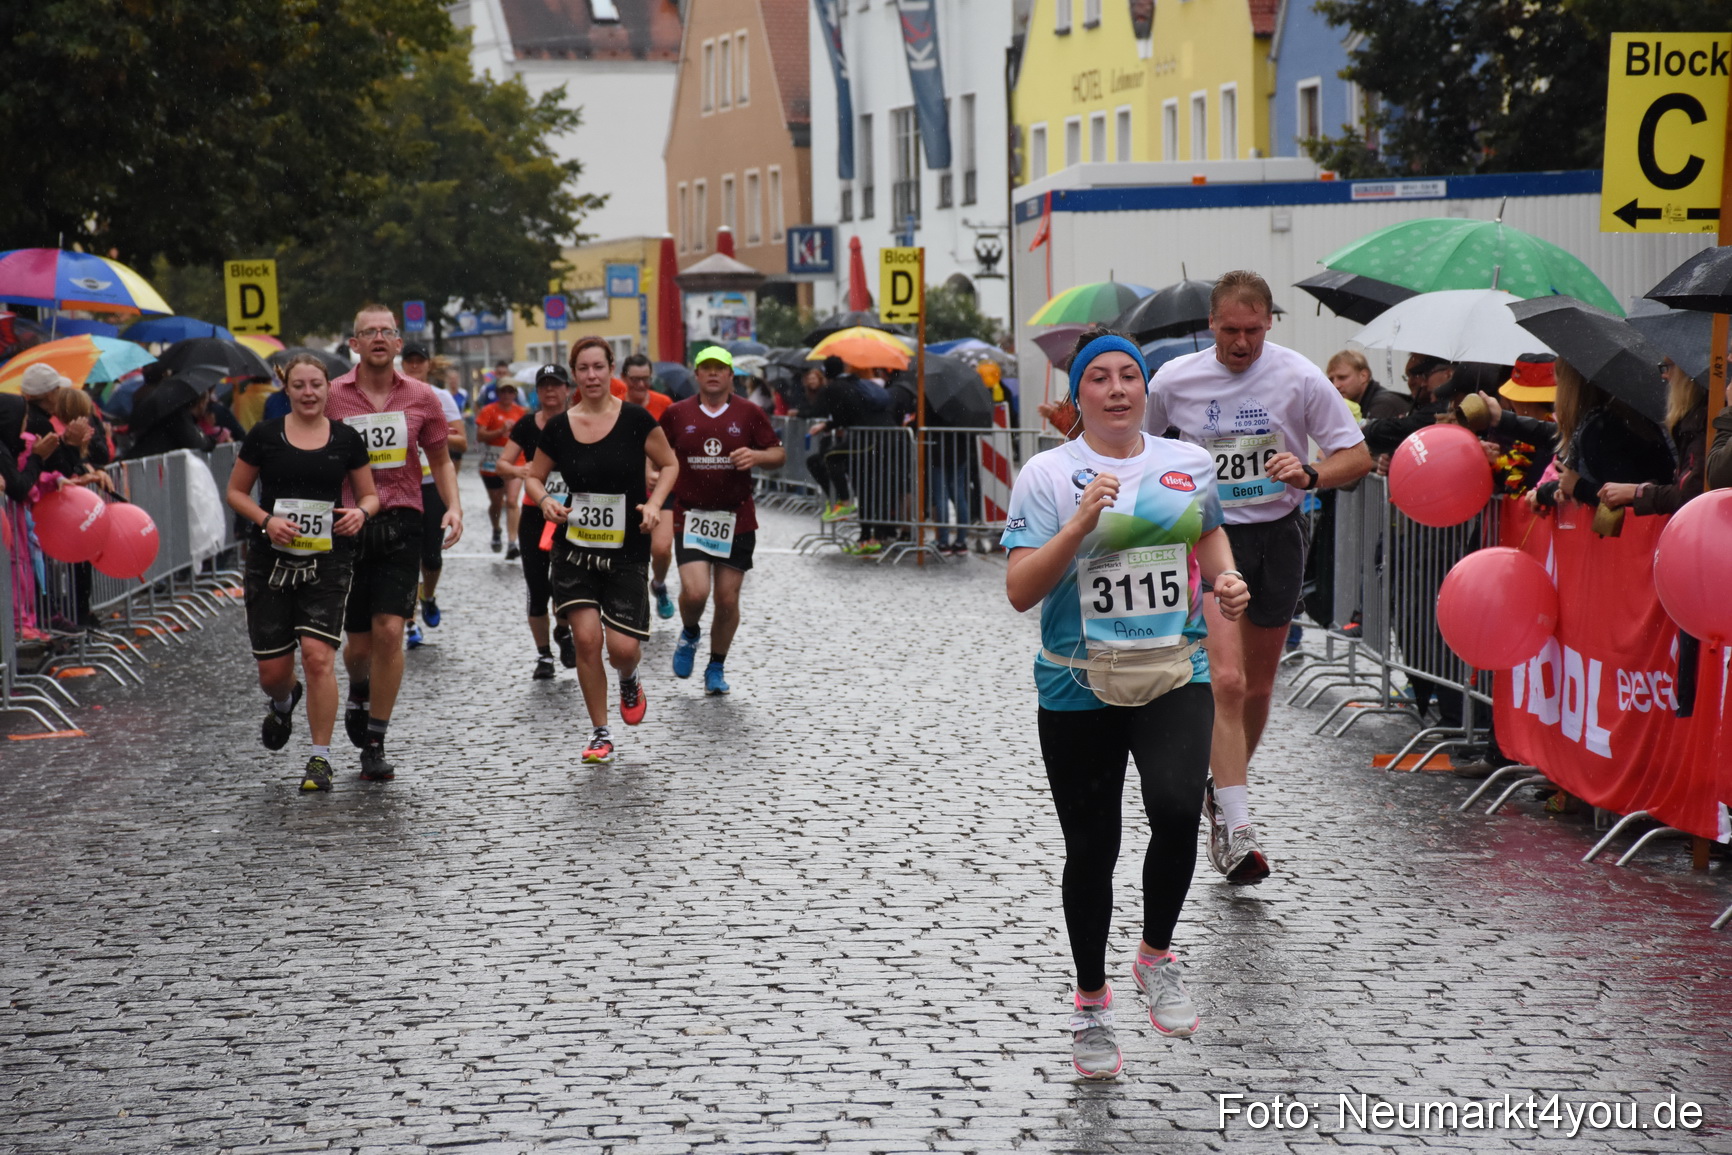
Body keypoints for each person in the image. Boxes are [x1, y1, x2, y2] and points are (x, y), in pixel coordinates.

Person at [1003, 326, 1250, 1078]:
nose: (1117, 389)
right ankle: (1091, 1004)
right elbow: (1019, 590)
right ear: (1078, 397)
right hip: (1077, 680)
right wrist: (1080, 524)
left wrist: (1228, 584)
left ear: (1146, 389)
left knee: (1177, 806)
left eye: (1129, 377)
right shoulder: (1047, 475)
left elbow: (1211, 549)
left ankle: (1154, 955)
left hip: (1174, 669)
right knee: (1093, 847)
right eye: (1099, 379)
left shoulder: (1187, 463)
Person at [1143, 271, 1370, 884]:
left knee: (1261, 688)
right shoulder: (1174, 380)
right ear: (1211, 324)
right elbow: (1139, 442)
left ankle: (1222, 787)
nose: (1242, 343)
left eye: (1253, 329)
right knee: (1228, 680)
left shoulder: (1297, 375)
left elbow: (1357, 455)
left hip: (1279, 535)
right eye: (1230, 330)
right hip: (1210, 537)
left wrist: (1310, 474)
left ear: (1270, 322)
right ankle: (1239, 828)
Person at [225, 354, 381, 792]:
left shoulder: (346, 439)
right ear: (287, 389)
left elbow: (370, 496)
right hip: (269, 560)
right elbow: (236, 492)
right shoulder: (264, 436)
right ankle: (282, 700)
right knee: (272, 672)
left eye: (316, 384)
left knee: (318, 656)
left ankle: (320, 758)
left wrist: (360, 515)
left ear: (329, 387)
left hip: (327, 560)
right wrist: (266, 519)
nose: (309, 393)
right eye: (300, 385)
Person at [523, 336, 678, 764]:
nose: (591, 376)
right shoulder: (558, 427)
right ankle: (600, 731)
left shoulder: (635, 420)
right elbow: (533, 477)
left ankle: (629, 677)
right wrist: (545, 500)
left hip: (627, 548)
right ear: (574, 375)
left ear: (612, 369)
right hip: (574, 549)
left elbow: (670, 464)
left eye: (598, 367)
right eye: (583, 369)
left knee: (623, 649)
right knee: (587, 640)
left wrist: (655, 503)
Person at [326, 304, 464, 782]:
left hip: (403, 520)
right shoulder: (332, 397)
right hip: (348, 525)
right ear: (355, 344)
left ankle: (375, 741)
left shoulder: (423, 397)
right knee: (357, 645)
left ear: (399, 343)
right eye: (369, 332)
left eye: (387, 331)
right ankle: (358, 689)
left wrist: (454, 506)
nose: (379, 338)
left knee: (390, 631)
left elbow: (441, 459)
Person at [659, 346, 785, 694]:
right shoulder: (676, 413)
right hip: (691, 514)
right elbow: (653, 448)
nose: (713, 373)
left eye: (720, 368)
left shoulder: (750, 413)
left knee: (727, 600)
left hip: (736, 517)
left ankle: (716, 666)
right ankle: (690, 632)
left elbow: (779, 453)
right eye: (706, 368)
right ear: (696, 375)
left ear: (731, 376)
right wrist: (652, 473)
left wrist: (757, 455)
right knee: (697, 592)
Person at [496, 363, 576, 680]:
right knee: (537, 586)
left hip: (572, 514)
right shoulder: (528, 425)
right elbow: (503, 463)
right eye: (544, 385)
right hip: (534, 514)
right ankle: (544, 656)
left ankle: (564, 630)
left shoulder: (578, 421)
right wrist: (522, 471)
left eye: (556, 384)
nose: (550, 390)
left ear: (567, 389)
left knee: (567, 584)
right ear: (537, 391)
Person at [401, 345, 467, 647]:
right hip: (402, 484)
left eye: (419, 362)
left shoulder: (440, 397)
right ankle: (410, 622)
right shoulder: (393, 397)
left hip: (431, 483)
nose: (414, 367)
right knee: (406, 556)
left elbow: (462, 442)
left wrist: (430, 434)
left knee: (431, 555)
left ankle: (428, 597)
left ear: (428, 365)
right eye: (409, 362)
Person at [618, 353, 677, 616]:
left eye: (645, 379)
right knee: (629, 550)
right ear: (623, 379)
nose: (641, 385)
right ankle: (633, 598)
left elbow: (673, 445)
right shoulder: (614, 406)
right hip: (626, 489)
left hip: (661, 487)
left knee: (662, 548)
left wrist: (656, 470)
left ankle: (659, 584)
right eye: (634, 380)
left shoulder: (665, 404)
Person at [475, 381, 528, 557]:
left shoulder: (521, 413)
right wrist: (499, 431)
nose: (507, 395)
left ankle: (513, 542)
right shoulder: (489, 411)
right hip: (492, 463)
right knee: (497, 503)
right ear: (498, 393)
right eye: (503, 391)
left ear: (515, 394)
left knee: (512, 501)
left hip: (516, 461)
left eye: (510, 391)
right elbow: (480, 436)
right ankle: (497, 529)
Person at [1326, 349, 1409, 422]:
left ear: (1363, 376)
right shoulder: (1369, 404)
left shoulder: (1384, 405)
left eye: (1342, 377)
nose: (1335, 385)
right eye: (1331, 380)